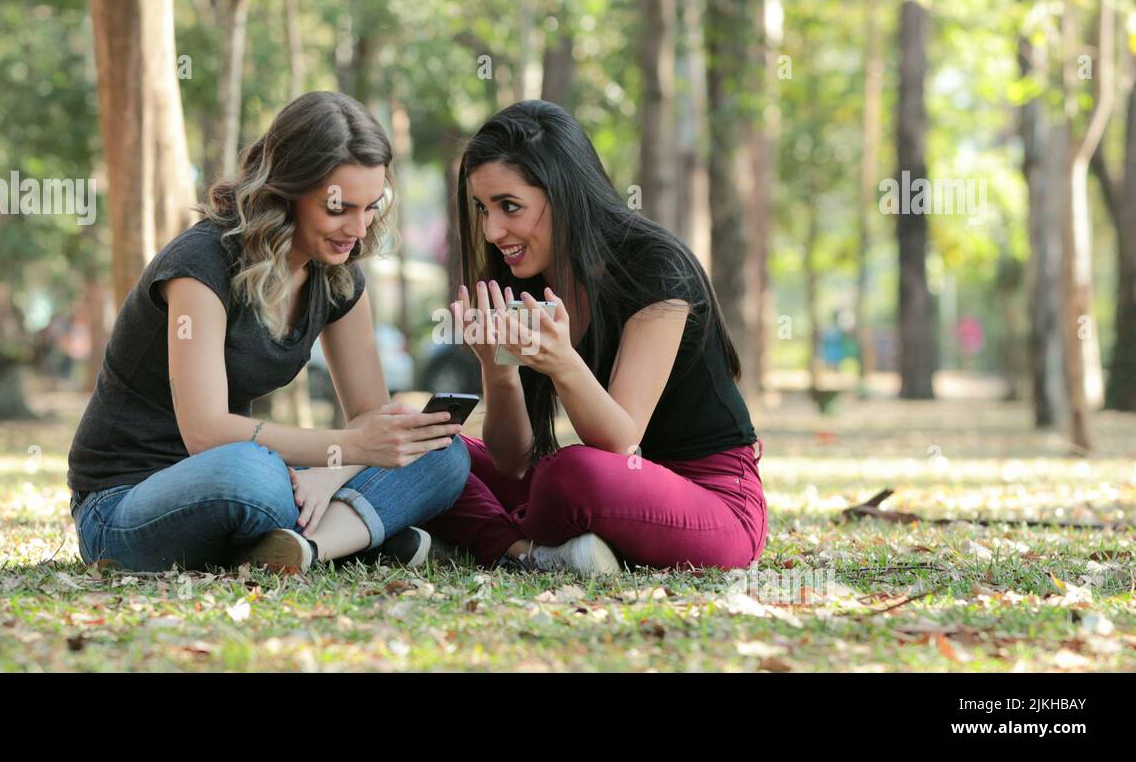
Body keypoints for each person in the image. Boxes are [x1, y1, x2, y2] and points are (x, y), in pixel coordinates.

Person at [67, 91, 469, 574]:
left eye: (370, 207)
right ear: (286, 190)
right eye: (339, 208)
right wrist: (351, 449)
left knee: (441, 453)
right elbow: (205, 432)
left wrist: (328, 475)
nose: (358, 229)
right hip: (125, 503)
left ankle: (307, 547)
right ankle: (354, 537)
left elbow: (368, 415)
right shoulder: (200, 264)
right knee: (255, 474)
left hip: (247, 486)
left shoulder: (337, 274)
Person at [424, 100, 767, 577]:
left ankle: (487, 534)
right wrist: (497, 370)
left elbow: (620, 444)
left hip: (712, 501)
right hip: (608, 493)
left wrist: (562, 362)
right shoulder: (525, 280)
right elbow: (511, 463)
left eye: (509, 207)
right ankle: (526, 550)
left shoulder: (654, 266)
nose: (492, 230)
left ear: (565, 194)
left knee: (569, 474)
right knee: (425, 444)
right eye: (483, 209)